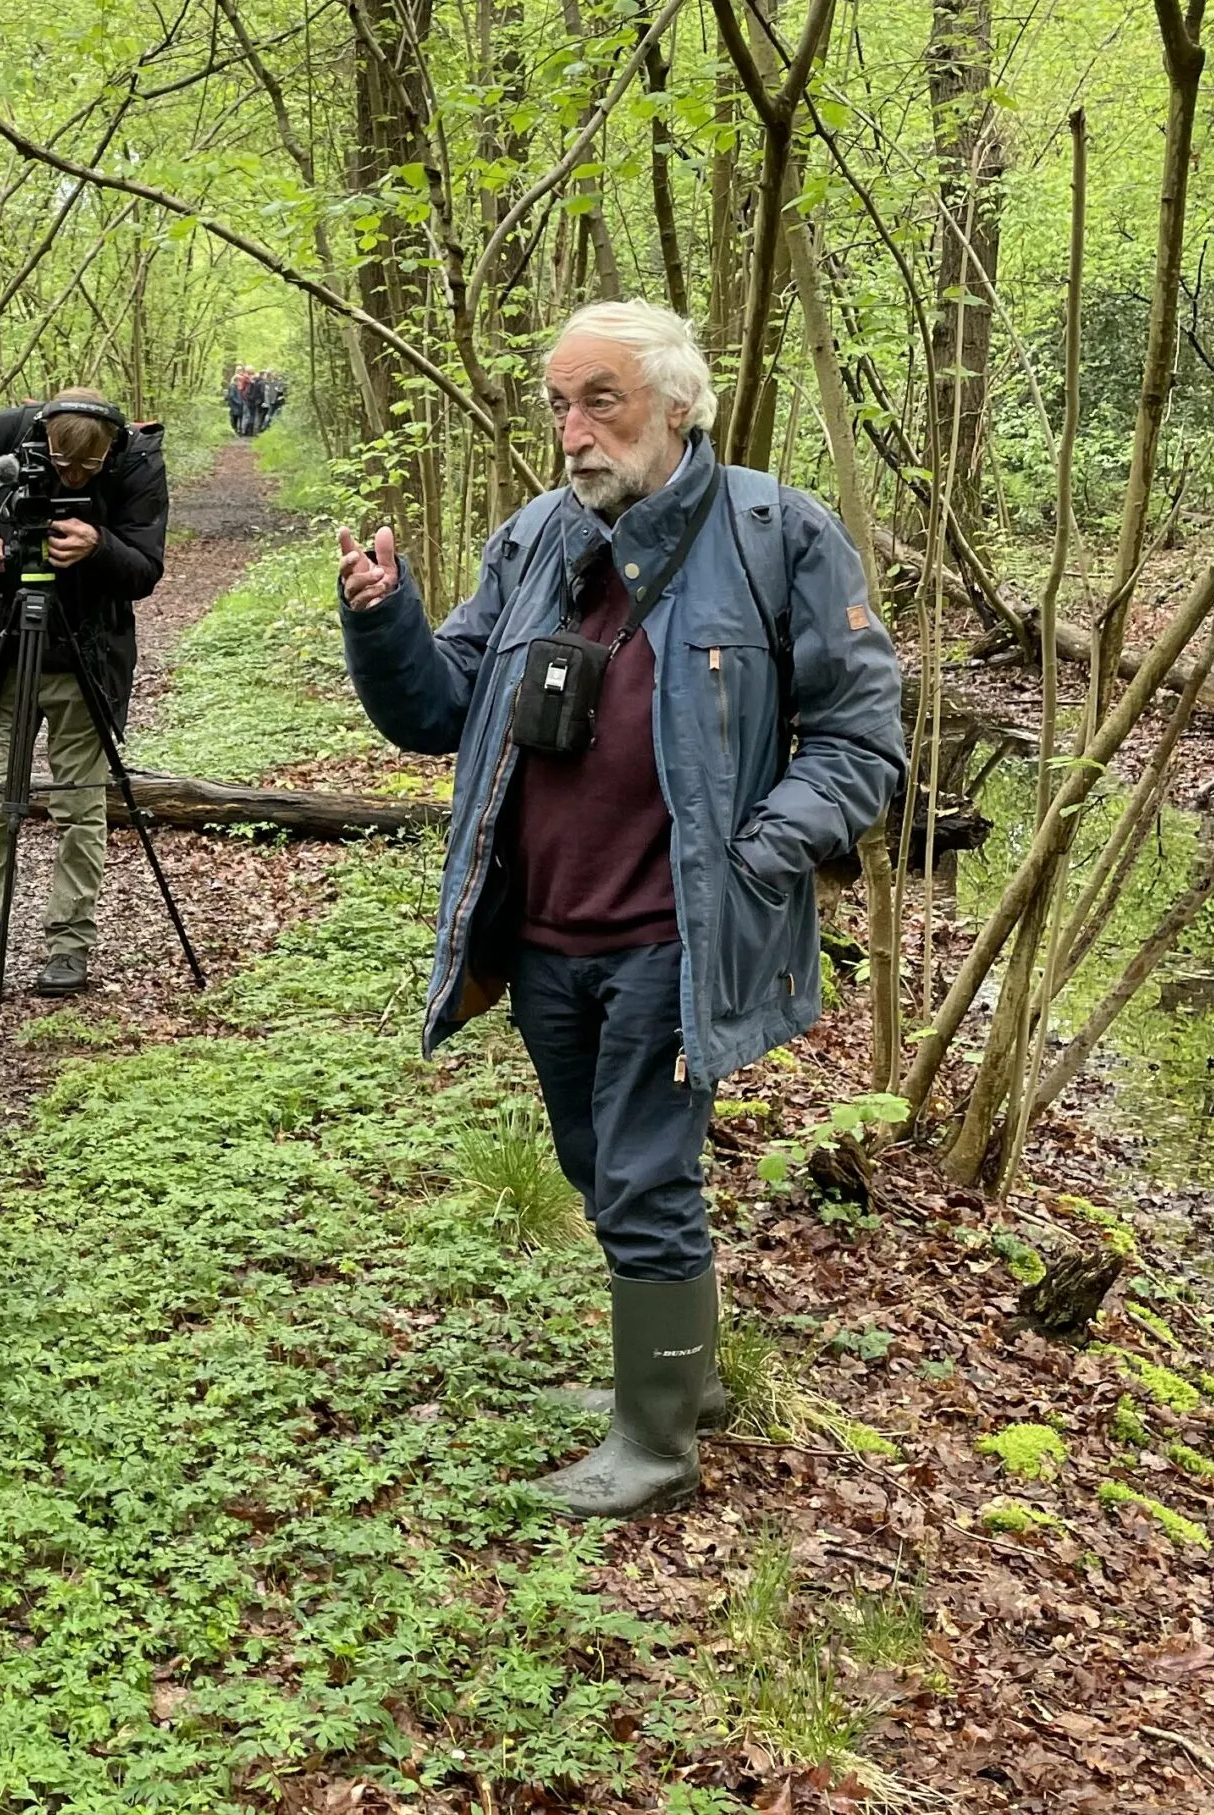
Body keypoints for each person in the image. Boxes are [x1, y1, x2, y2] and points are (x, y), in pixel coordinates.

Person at [335, 300, 904, 1520]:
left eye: (601, 401)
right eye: (558, 404)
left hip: (672, 934)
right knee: (598, 1164)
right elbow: (441, 710)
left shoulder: (775, 534)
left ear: (677, 405)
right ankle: (680, 1378)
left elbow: (859, 742)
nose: (573, 431)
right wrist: (382, 620)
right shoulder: (536, 537)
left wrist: (754, 855)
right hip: (543, 930)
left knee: (645, 1178)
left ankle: (654, 1446)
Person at [0, 386, 168, 997]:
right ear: (42, 437)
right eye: (63, 462)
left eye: (88, 467)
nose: (73, 476)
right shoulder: (5, 431)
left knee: (80, 804)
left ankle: (69, 945)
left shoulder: (136, 460)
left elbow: (145, 570)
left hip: (89, 651)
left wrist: (98, 546)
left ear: (111, 448)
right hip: (7, 642)